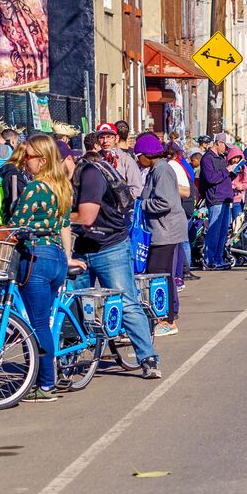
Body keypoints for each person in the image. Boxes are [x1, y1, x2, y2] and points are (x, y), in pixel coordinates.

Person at [70, 150, 162, 379]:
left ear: (67, 160)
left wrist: (51, 215)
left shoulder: (90, 174)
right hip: (81, 248)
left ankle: (148, 358)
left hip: (110, 246)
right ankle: (69, 357)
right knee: (74, 304)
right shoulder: (56, 181)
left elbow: (86, 217)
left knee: (126, 300)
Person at [8, 135, 79, 402]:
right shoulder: (62, 187)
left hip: (36, 257)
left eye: (28, 156)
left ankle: (45, 383)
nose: (24, 162)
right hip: (57, 258)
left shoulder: (36, 188)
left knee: (37, 323)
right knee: (44, 321)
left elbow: (16, 225)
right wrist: (68, 256)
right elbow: (63, 226)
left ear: (42, 159)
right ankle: (43, 377)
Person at [134, 133, 185, 337]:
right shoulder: (156, 169)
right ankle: (164, 316)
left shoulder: (161, 170)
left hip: (166, 231)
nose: (138, 160)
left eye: (139, 155)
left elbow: (165, 202)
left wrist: (140, 203)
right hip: (161, 230)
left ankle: (168, 320)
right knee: (160, 275)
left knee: (160, 276)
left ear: (147, 154)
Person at [200, 133, 234, 270]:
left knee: (223, 231)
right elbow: (211, 178)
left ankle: (218, 258)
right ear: (219, 143)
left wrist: (232, 171)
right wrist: (226, 171)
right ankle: (210, 260)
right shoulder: (207, 158)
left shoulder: (221, 158)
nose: (226, 149)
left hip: (225, 198)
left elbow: (222, 176)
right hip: (216, 198)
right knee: (214, 230)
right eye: (225, 146)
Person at [165, 145, 194, 291]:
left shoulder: (173, 166)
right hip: (184, 207)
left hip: (180, 208)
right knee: (181, 243)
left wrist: (165, 186)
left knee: (179, 244)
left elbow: (186, 191)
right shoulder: (181, 165)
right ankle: (182, 273)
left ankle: (180, 274)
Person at [96, 123, 142, 196]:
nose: (105, 141)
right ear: (97, 140)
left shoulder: (127, 160)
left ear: (116, 138)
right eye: (101, 137)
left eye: (109, 137)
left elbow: (136, 189)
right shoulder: (95, 160)